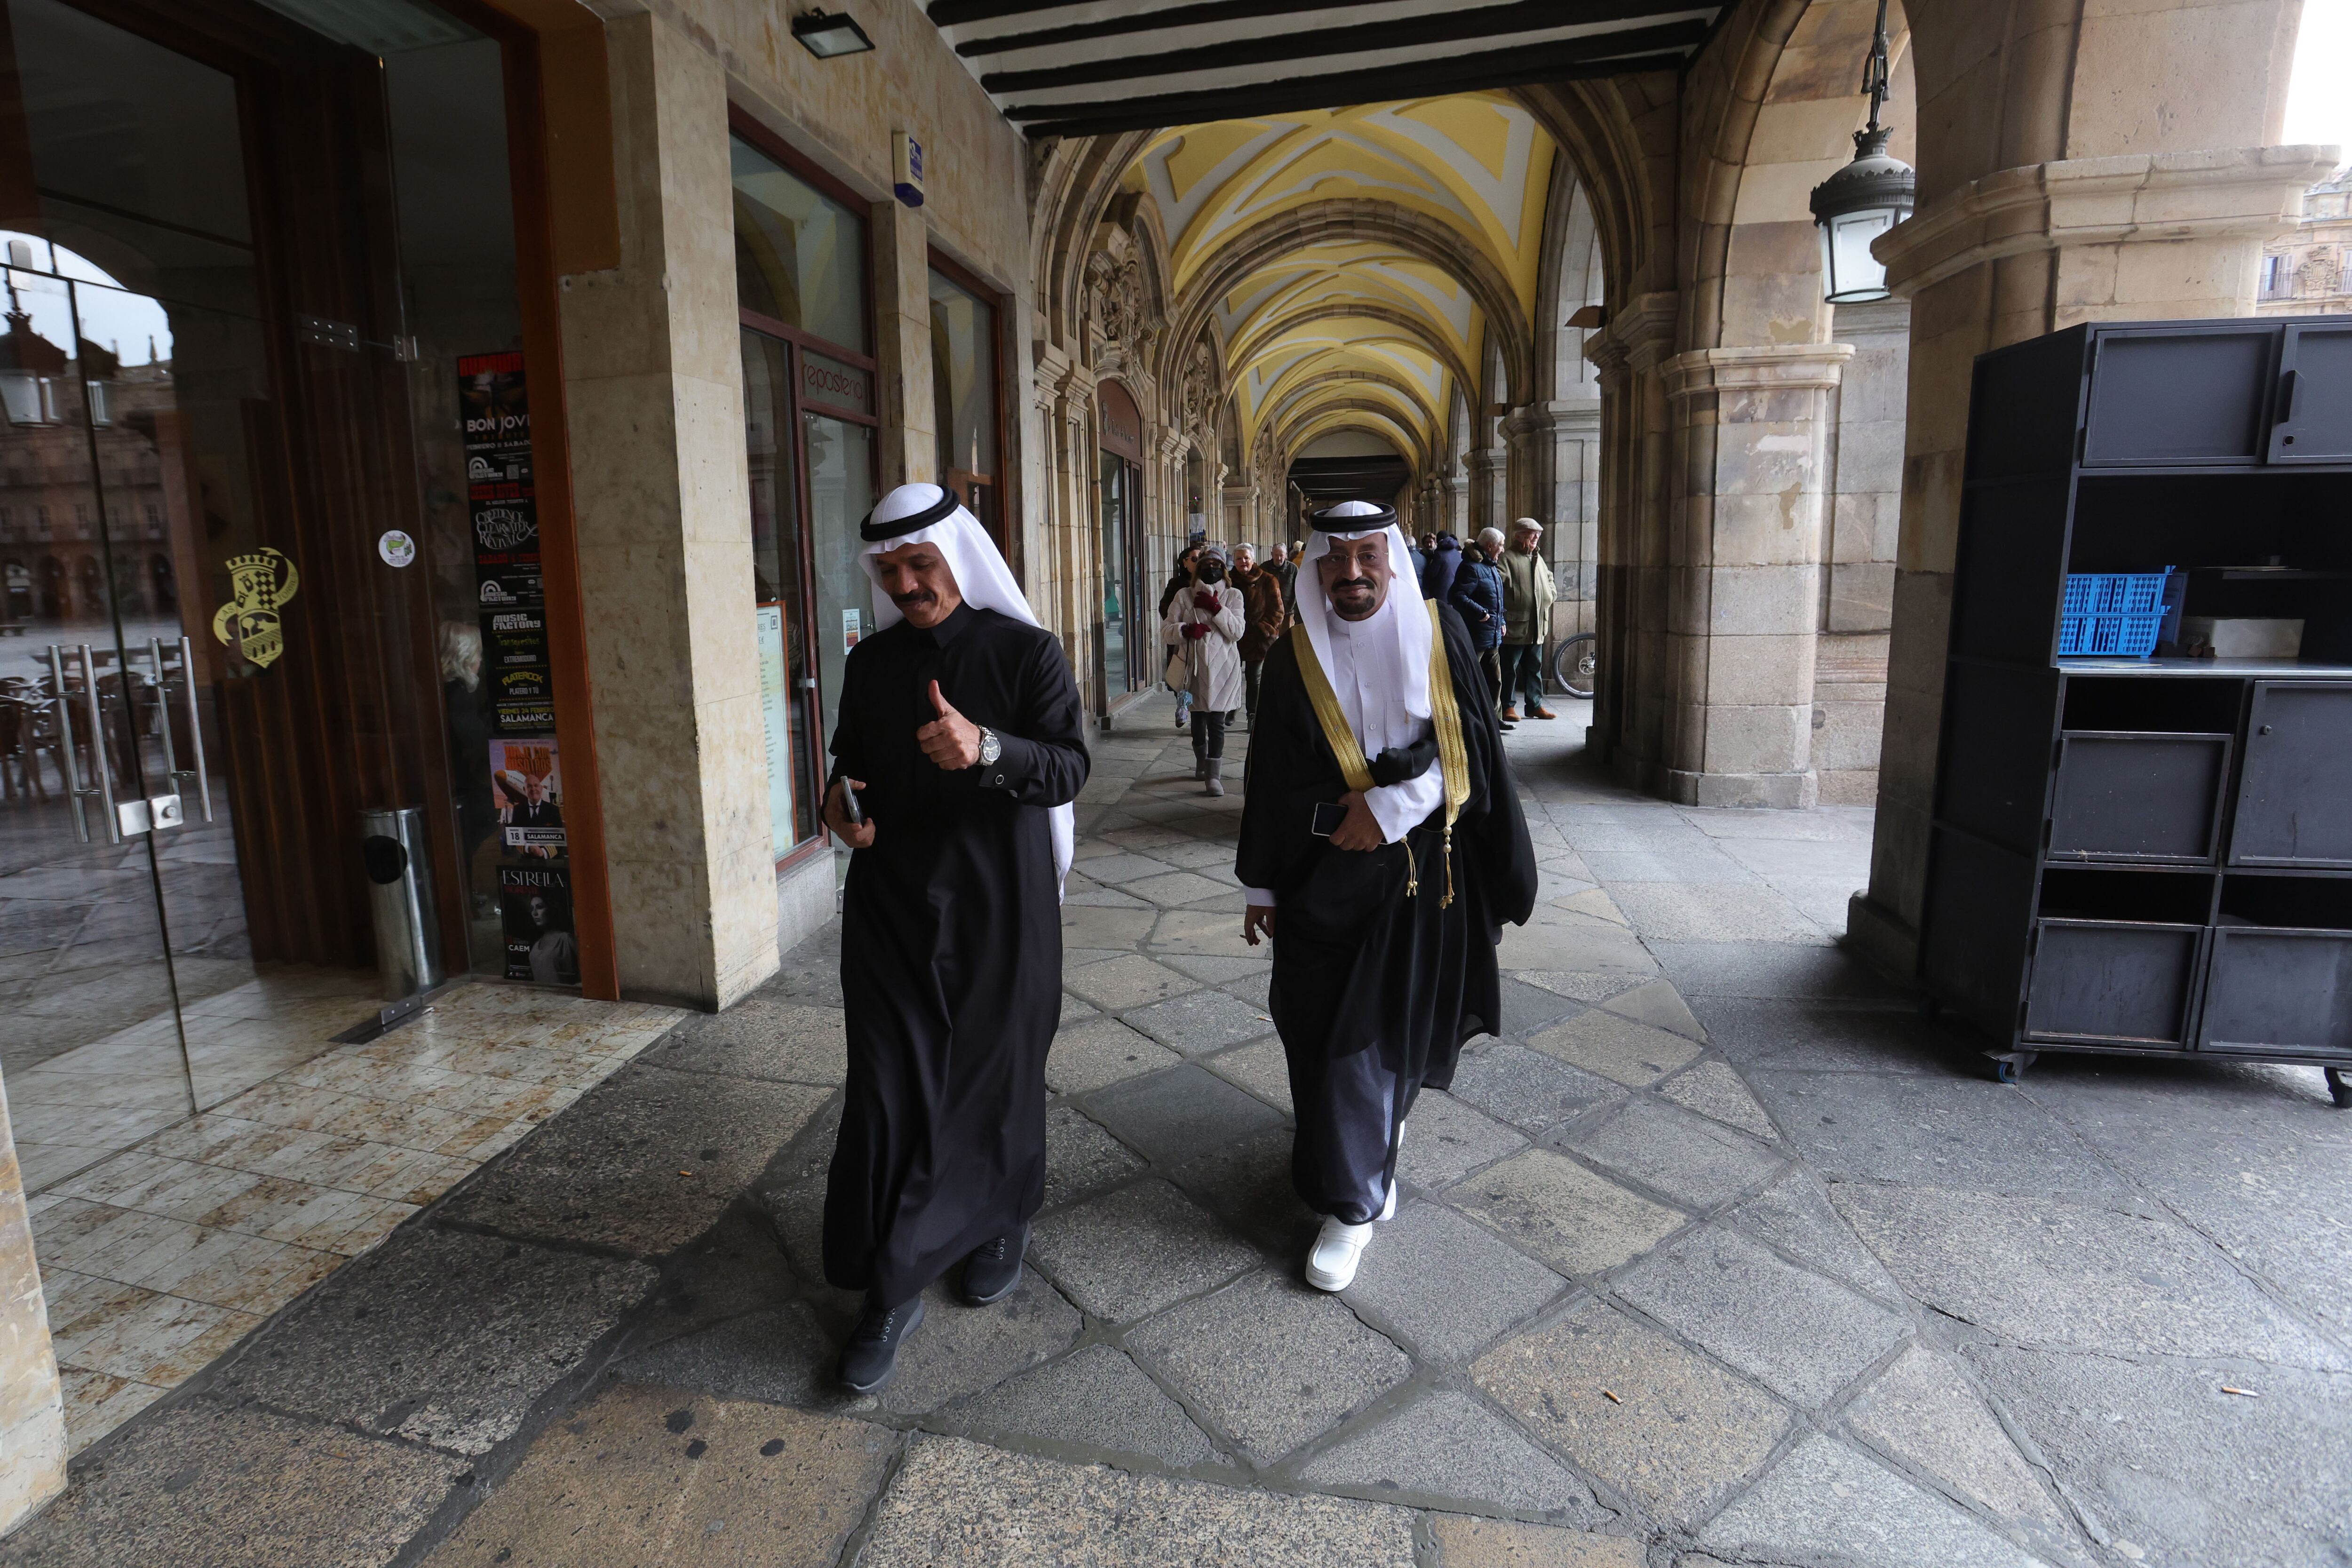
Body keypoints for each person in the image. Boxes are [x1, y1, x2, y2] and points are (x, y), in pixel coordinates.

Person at [818, 482, 1089, 1393]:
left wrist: (986, 749)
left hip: (999, 906)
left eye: (920, 564)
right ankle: (890, 1287)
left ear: (956, 557)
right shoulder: (869, 664)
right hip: (892, 904)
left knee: (995, 1076)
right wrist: (841, 809)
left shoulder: (1026, 651)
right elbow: (847, 769)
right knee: (891, 1089)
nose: (906, 583)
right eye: (891, 571)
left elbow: (1065, 767)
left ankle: (1003, 1214)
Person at [1235, 499, 1537, 1293]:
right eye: (1336, 560)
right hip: (1317, 880)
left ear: (1393, 561)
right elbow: (1268, 780)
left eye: (1369, 556)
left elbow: (1470, 751)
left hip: (1420, 881)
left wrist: (1392, 806)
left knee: (1379, 1037)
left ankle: (1353, 1203)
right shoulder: (1291, 658)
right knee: (1320, 1034)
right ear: (1315, 568)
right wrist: (1262, 883)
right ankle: (1367, 1152)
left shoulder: (1443, 635)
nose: (1353, 573)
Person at [1162, 541, 1246, 796]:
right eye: (1207, 564)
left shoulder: (1234, 596)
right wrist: (1185, 630)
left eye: (1217, 565)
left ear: (1224, 569)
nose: (1212, 568)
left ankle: (1214, 776)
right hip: (1194, 668)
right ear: (1198, 569)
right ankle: (1201, 761)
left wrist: (1217, 609)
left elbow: (1237, 632)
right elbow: (1166, 631)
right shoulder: (1183, 596)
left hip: (1224, 668)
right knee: (1198, 721)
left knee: (1218, 722)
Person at [1449, 527, 1510, 730]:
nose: (1503, 550)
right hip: (1476, 636)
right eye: (1501, 546)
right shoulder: (1471, 567)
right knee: (1468, 681)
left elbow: (1498, 601)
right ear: (1490, 546)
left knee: (1495, 680)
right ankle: (1466, 721)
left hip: (1492, 635)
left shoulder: (1491, 566)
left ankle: (1494, 719)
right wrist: (1480, 612)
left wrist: (1501, 622)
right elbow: (1457, 595)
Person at [1499, 518, 1558, 723]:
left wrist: (1550, 594)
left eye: (1538, 535)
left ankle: (1535, 706)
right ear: (1519, 535)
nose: (1536, 538)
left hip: (1537, 625)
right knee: (1510, 668)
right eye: (1532, 534)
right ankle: (1508, 706)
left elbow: (1549, 578)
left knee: (1535, 667)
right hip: (1516, 625)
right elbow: (1498, 587)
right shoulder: (1507, 558)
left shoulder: (1538, 558)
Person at [1233, 542, 1287, 730]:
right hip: (1233, 637)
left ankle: (1252, 714)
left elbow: (1278, 610)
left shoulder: (1268, 580)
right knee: (1231, 676)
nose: (1243, 562)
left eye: (1246, 558)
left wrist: (1266, 629)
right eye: (1239, 559)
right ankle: (1232, 707)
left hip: (1258, 639)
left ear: (1253, 559)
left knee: (1254, 678)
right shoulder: (1228, 580)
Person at [1159, 545, 1201, 731]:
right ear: (1185, 563)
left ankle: (1199, 716)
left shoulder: (1207, 580)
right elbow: (1164, 609)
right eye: (1194, 559)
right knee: (1181, 674)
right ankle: (1183, 707)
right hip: (1182, 638)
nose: (1198, 562)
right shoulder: (1176, 584)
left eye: (1201, 558)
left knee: (1200, 677)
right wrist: (1182, 626)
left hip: (1201, 639)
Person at [1418, 531, 1464, 603]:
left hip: (1442, 593)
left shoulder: (1439, 555)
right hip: (1455, 591)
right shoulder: (1458, 553)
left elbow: (1432, 574)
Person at [1270, 542, 1301, 628]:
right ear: (1272, 555)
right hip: (1269, 612)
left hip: (1288, 612)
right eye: (1276, 555)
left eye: (1281, 555)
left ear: (1286, 555)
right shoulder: (1264, 568)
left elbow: (1298, 591)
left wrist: (1297, 613)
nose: (1279, 558)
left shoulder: (1293, 569)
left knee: (1287, 637)